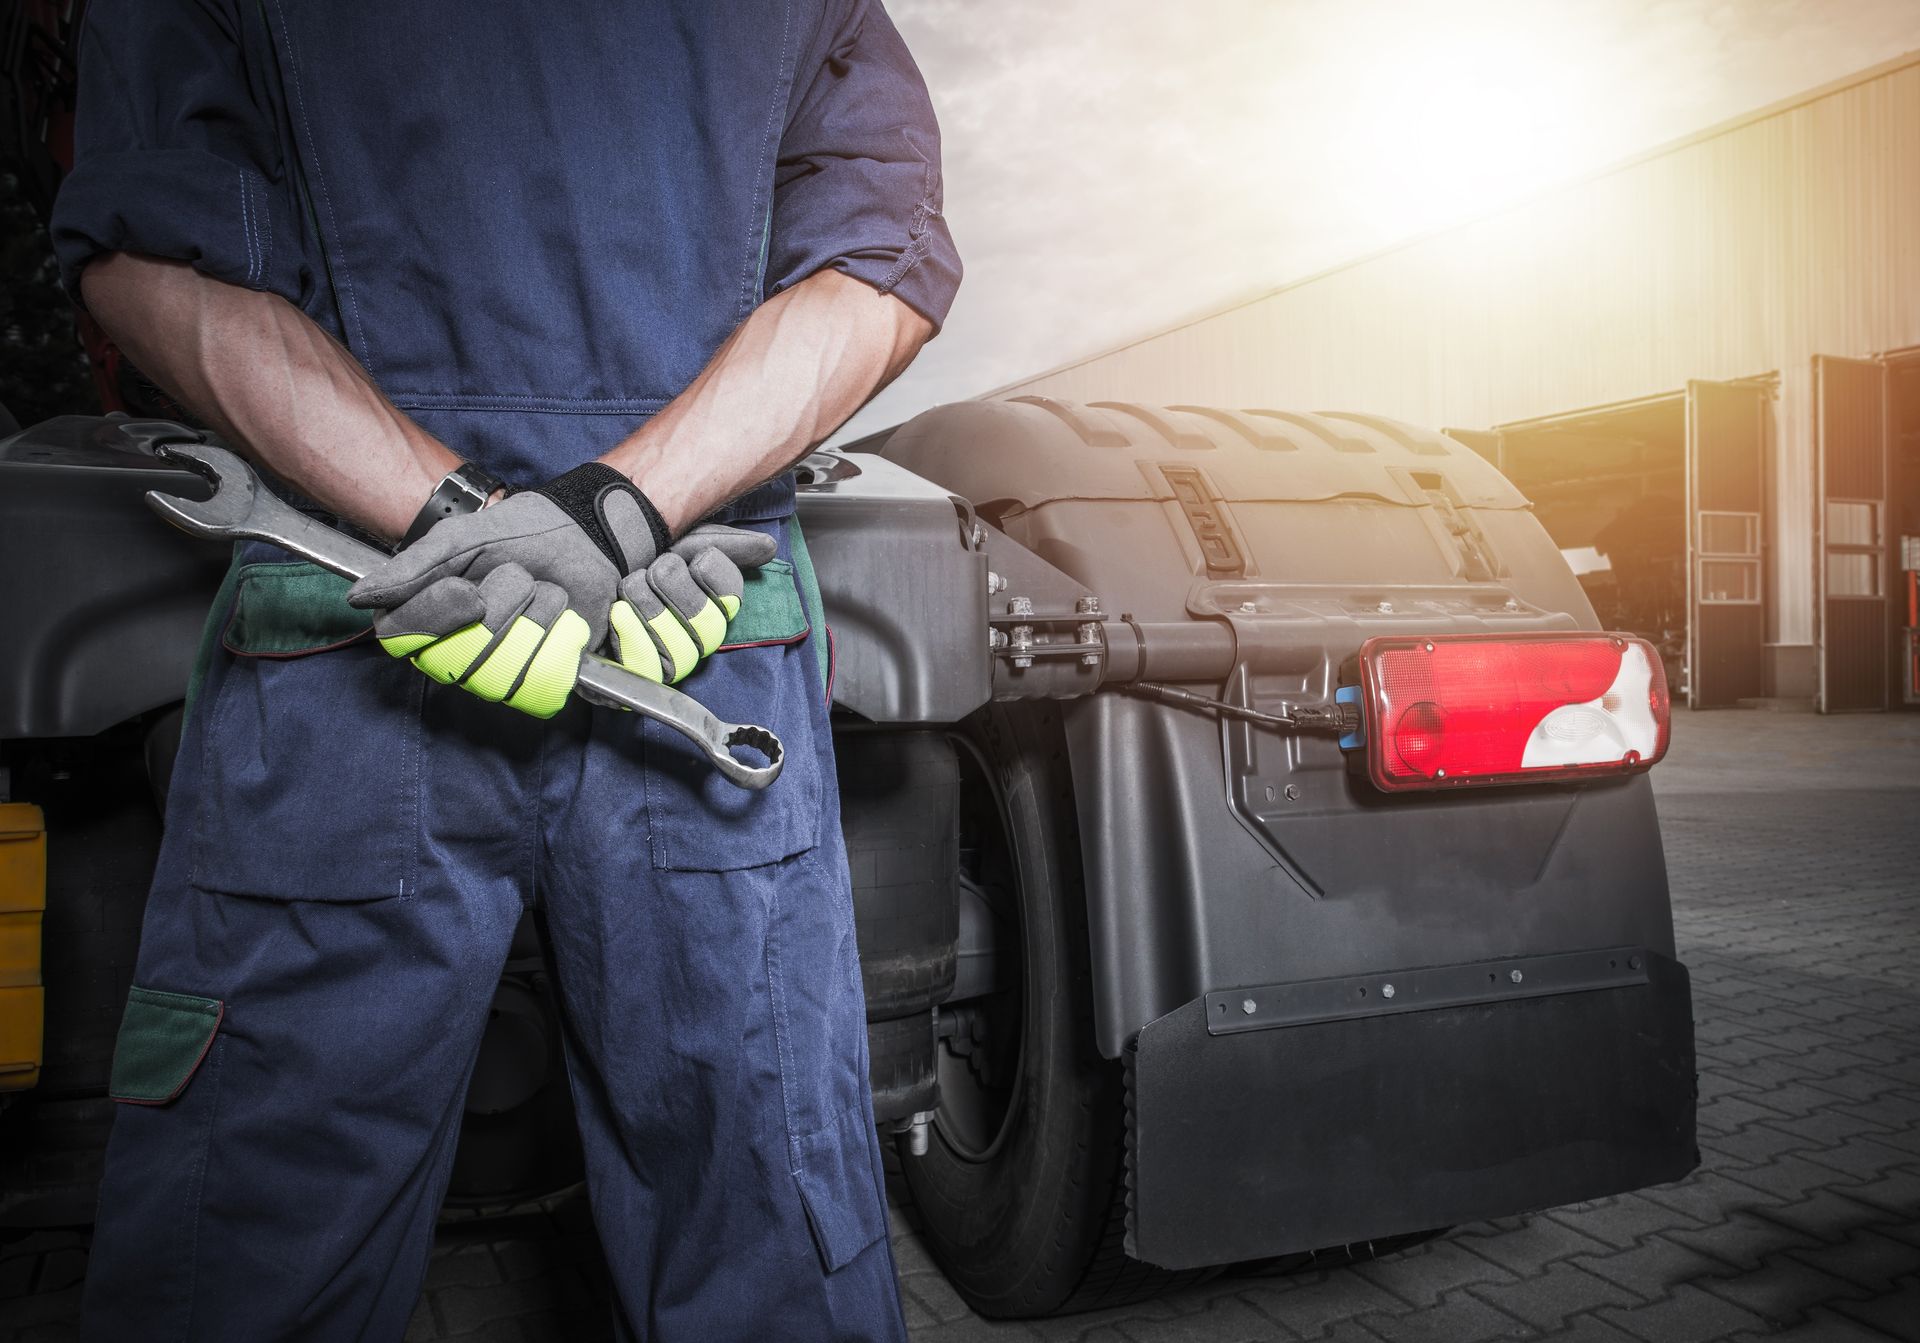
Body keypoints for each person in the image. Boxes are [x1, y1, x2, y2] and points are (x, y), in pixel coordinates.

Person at [49, 1, 960, 1338]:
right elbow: (879, 270)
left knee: (252, 1243)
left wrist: (465, 526)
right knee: (769, 1238)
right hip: (690, 629)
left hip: (356, 632)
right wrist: (617, 513)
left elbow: (147, 251)